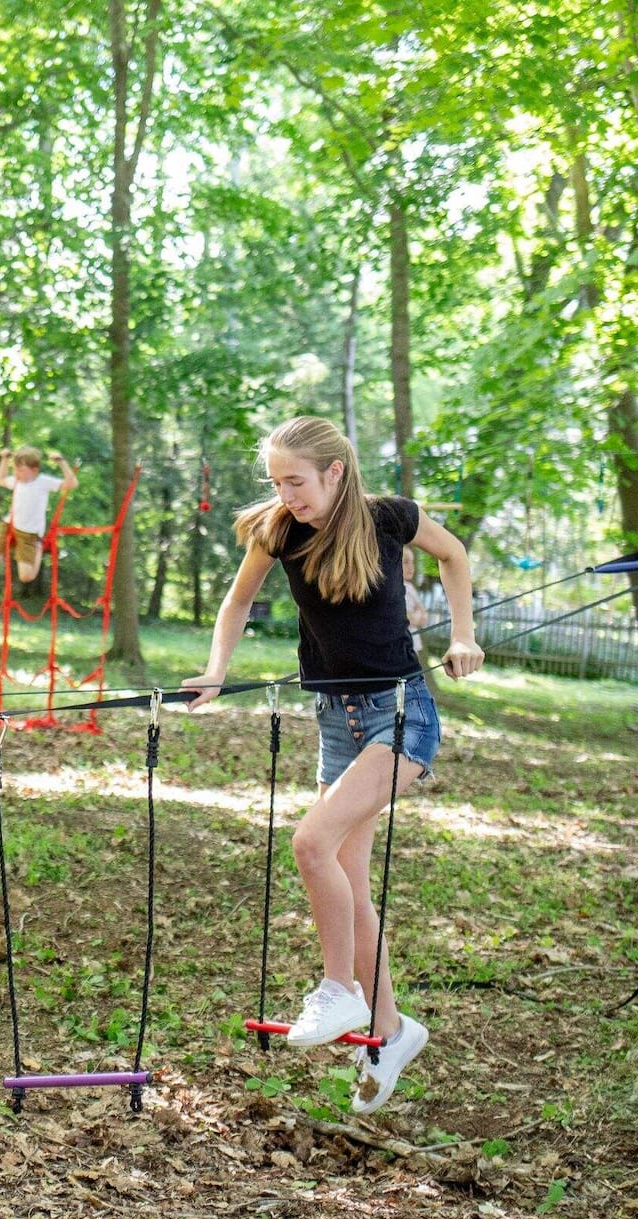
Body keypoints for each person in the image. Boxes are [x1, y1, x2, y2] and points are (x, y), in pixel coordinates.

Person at [181, 416, 483, 1115]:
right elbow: (237, 600)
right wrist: (216, 671)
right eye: (277, 482)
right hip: (335, 720)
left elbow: (456, 557)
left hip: (400, 716)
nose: (287, 495)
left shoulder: (388, 519)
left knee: (312, 843)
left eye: (297, 481)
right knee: (347, 876)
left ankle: (339, 989)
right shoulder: (278, 530)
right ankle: (391, 1029)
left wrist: (464, 635)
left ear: (335, 474)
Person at [0, 446, 78, 584]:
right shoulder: (16, 481)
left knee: (26, 576)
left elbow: (71, 484)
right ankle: (10, 549)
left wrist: (61, 462)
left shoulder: (43, 482)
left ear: (34, 470)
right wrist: (4, 459)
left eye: (21, 470)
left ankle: (38, 548)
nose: (17, 473)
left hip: (29, 534)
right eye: (15, 469)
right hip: (10, 526)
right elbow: (0, 479)